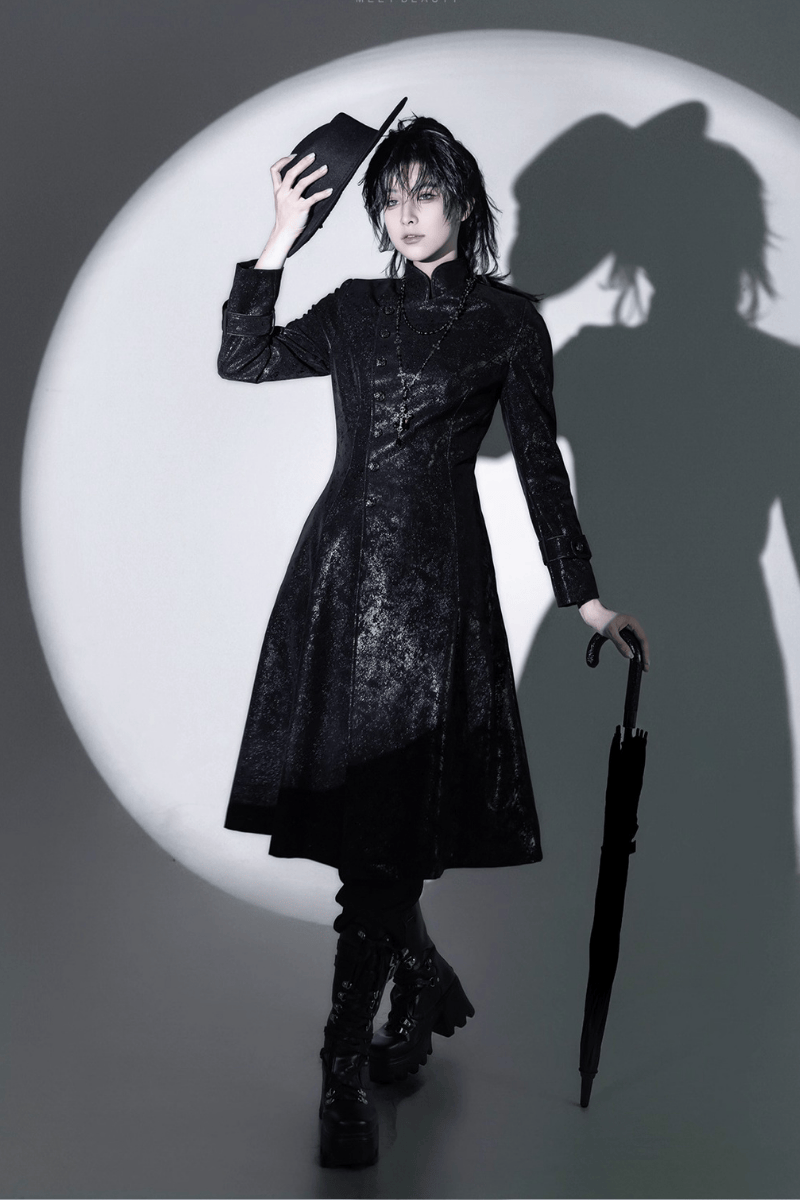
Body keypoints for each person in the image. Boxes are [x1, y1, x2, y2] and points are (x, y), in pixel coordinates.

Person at [217, 115, 649, 1169]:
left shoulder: (506, 322)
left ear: (463, 203)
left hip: (436, 593)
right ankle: (418, 983)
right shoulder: (355, 309)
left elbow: (539, 467)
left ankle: (341, 1069)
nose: (407, 215)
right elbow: (243, 358)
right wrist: (278, 239)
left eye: (426, 195)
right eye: (391, 198)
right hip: (337, 577)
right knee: (368, 825)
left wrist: (585, 601)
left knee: (385, 831)